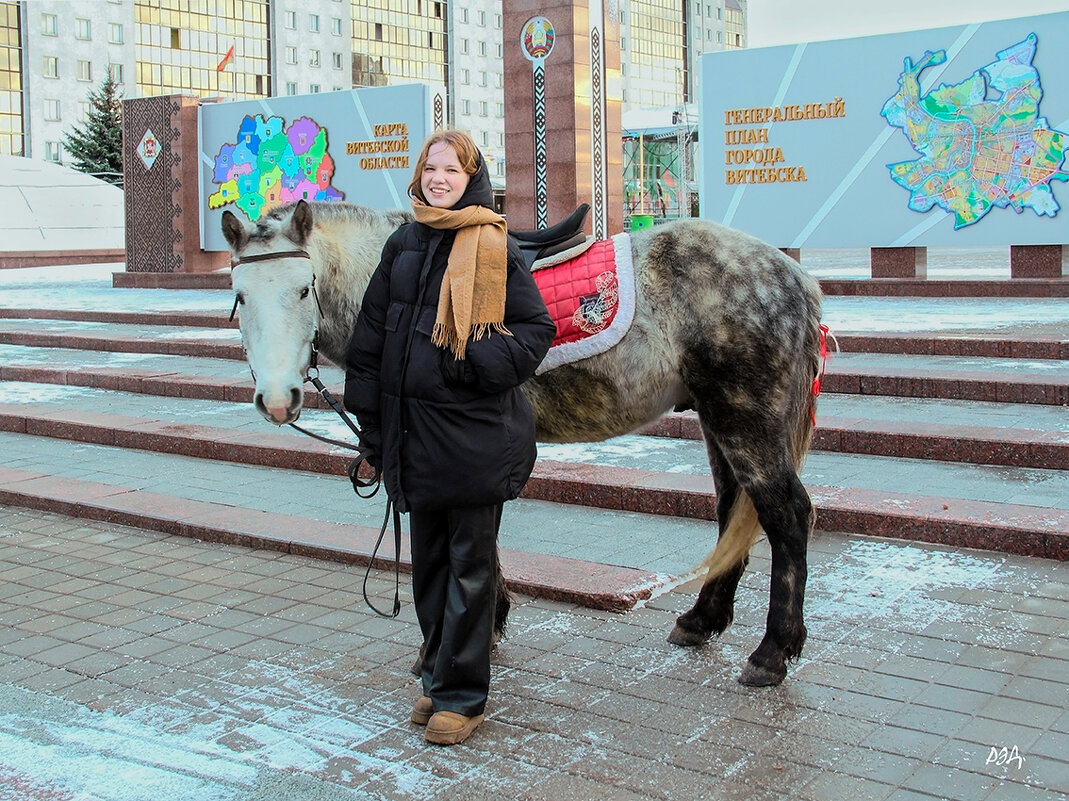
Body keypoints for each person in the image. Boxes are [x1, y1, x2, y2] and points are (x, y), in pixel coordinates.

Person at [343, 130, 555, 745]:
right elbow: (371, 339)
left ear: (471, 178)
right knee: (430, 568)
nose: (439, 178)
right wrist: (371, 432)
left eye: (452, 170)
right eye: (431, 168)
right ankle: (438, 680)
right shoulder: (403, 243)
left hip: (473, 438)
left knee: (469, 569)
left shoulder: (495, 245)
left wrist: (470, 362)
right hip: (413, 437)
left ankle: (463, 698)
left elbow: (534, 331)